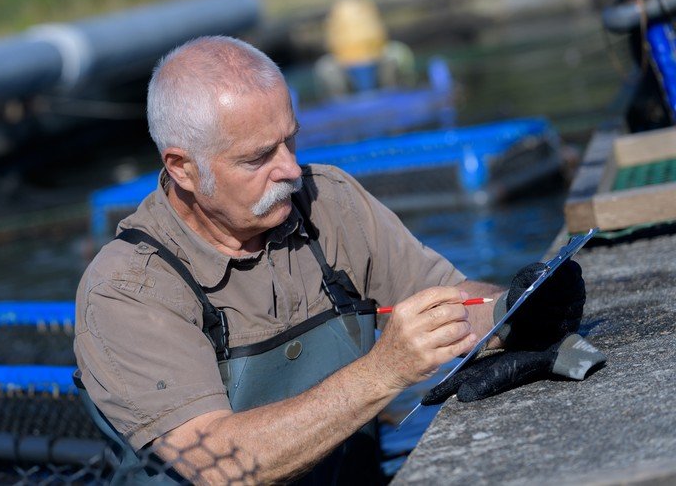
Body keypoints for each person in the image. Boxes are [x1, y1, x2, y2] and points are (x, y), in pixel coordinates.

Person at [74, 35, 597, 484]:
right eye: (258, 158)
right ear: (182, 169)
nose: (290, 169)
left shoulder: (331, 200)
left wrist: (512, 309)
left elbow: (448, 301)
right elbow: (220, 467)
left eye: (291, 139)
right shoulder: (125, 291)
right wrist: (382, 373)